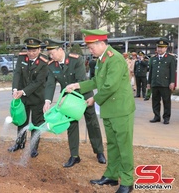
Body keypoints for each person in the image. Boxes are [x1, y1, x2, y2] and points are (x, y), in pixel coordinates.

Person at [66, 29, 135, 193]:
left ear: (101, 43)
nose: (90, 50)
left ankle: (127, 181)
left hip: (121, 110)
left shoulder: (115, 59)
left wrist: (94, 99)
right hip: (110, 110)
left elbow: (110, 86)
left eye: (91, 47)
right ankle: (111, 175)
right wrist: (77, 86)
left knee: (123, 146)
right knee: (112, 144)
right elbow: (97, 81)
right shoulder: (102, 60)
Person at [43, 38, 106, 168]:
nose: (50, 56)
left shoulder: (76, 59)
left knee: (92, 123)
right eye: (49, 54)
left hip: (84, 96)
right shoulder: (51, 65)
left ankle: (99, 151)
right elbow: (50, 84)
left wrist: (68, 96)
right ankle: (74, 155)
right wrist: (47, 101)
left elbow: (81, 80)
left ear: (60, 50)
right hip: (68, 100)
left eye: (52, 53)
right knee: (71, 125)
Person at [7, 38, 48, 158]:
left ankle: (34, 148)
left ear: (39, 49)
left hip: (37, 98)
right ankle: (19, 143)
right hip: (22, 98)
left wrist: (23, 91)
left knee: (37, 123)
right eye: (29, 50)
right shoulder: (21, 57)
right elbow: (17, 73)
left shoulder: (44, 61)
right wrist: (15, 89)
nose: (31, 53)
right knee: (21, 122)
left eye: (34, 50)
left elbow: (39, 81)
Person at [148, 38, 176, 125]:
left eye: (162, 47)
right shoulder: (153, 59)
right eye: (158, 47)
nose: (159, 49)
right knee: (155, 101)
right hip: (155, 83)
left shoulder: (170, 58)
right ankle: (156, 116)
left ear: (166, 48)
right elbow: (151, 72)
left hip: (165, 84)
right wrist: (149, 83)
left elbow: (172, 71)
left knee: (166, 101)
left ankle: (166, 117)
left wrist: (172, 82)